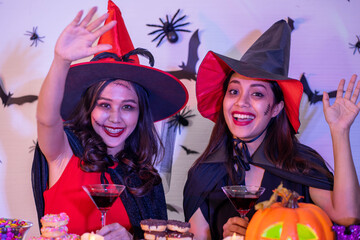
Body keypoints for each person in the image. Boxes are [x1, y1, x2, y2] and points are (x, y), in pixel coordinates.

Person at [183, 19, 360, 239]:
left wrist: (340, 132)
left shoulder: (301, 166)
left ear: (276, 108)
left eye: (257, 93)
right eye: (234, 91)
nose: (241, 103)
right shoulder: (204, 175)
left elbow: (348, 217)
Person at [32, 1, 188, 239]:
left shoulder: (146, 179)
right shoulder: (64, 153)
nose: (115, 118)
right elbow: (46, 120)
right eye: (104, 105)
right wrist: (61, 61)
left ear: (140, 114)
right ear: (89, 109)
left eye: (128, 106)